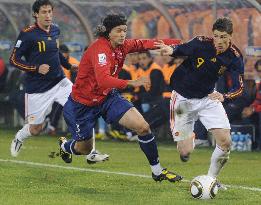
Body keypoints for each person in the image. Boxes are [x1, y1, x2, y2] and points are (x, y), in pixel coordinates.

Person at [59, 14, 183, 183]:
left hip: (107, 98)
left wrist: (181, 42)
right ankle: (66, 146)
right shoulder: (99, 50)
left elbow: (145, 43)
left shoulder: (123, 46)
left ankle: (157, 170)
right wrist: (133, 82)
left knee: (143, 127)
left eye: (125, 30)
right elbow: (103, 80)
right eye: (118, 31)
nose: (123, 34)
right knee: (84, 149)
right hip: (82, 105)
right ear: (108, 32)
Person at [155, 17, 244, 187]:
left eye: (224, 37)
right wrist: (170, 49)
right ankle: (190, 137)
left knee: (225, 142)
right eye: (216, 36)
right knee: (185, 152)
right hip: (182, 99)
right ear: (213, 35)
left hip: (208, 98)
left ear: (231, 36)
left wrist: (224, 96)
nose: (219, 41)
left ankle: (211, 180)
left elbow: (239, 87)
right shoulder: (201, 43)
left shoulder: (234, 57)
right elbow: (181, 49)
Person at [9, 0, 77, 157]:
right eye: (44, 12)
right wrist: (35, 68)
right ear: (35, 14)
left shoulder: (55, 30)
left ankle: (84, 149)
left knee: (79, 106)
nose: (48, 15)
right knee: (36, 129)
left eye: (50, 12)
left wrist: (67, 66)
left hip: (60, 82)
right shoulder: (27, 34)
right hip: (37, 88)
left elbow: (55, 51)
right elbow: (13, 59)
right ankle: (19, 137)